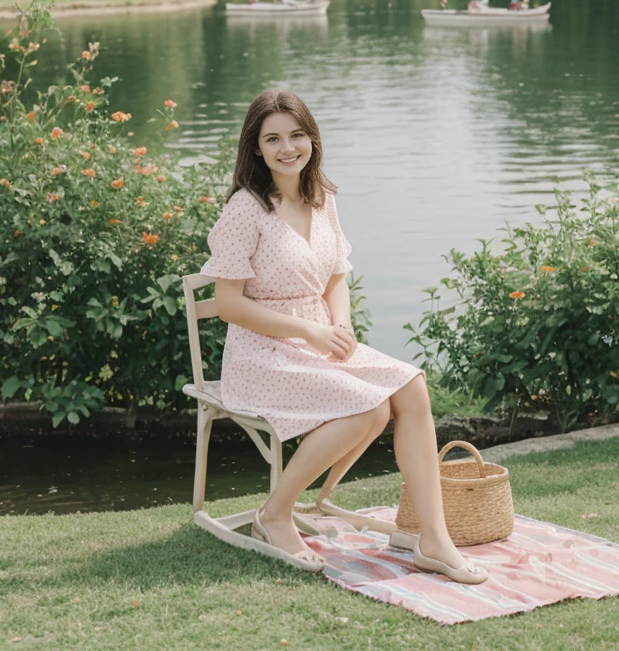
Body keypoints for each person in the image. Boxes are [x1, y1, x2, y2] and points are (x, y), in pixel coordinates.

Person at [200, 90, 488, 583]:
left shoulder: (322, 197)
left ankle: (434, 540)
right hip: (262, 354)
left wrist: (341, 324)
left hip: (319, 340)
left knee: (413, 386)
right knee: (368, 408)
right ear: (256, 149)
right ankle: (275, 513)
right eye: (273, 139)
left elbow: (336, 276)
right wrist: (307, 329)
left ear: (312, 138)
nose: (287, 148)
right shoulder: (246, 210)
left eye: (296, 135)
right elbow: (228, 304)